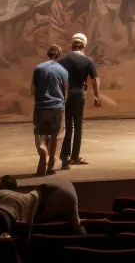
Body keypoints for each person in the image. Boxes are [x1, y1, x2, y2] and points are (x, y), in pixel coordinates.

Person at [57, 32, 101, 170]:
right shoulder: (88, 61)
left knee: (67, 126)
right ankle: (75, 156)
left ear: (72, 45)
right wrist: (97, 96)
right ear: (84, 46)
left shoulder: (63, 61)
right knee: (78, 126)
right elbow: (95, 79)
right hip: (78, 95)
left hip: (65, 96)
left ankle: (65, 156)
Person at [32, 45, 68, 176]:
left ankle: (42, 147)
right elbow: (65, 92)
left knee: (41, 133)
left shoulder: (38, 68)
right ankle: (51, 162)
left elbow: (33, 90)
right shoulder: (63, 70)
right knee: (56, 135)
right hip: (57, 107)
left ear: (48, 54)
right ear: (58, 55)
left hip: (41, 107)